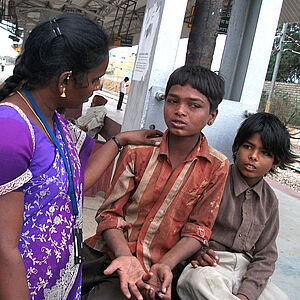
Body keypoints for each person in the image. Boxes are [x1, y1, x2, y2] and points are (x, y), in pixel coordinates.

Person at [0, 13, 161, 300]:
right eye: (95, 79)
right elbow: (4, 249)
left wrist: (119, 140)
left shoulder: (54, 121)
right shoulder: (12, 130)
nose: (97, 87)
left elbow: (76, 183)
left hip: (57, 278)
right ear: (66, 80)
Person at [83, 65, 230, 300]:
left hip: (163, 269)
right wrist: (126, 258)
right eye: (173, 101)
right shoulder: (138, 151)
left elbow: (198, 229)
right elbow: (109, 214)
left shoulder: (216, 166)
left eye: (194, 105)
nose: (180, 111)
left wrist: (166, 265)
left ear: (212, 116)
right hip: (111, 255)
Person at [177, 112, 297, 300]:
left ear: (276, 162)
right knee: (198, 281)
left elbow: (266, 256)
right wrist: (198, 253)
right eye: (248, 147)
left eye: (265, 153)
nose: (254, 156)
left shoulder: (270, 201)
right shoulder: (216, 180)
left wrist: (246, 294)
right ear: (237, 148)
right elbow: (183, 225)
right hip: (211, 265)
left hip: (245, 271)